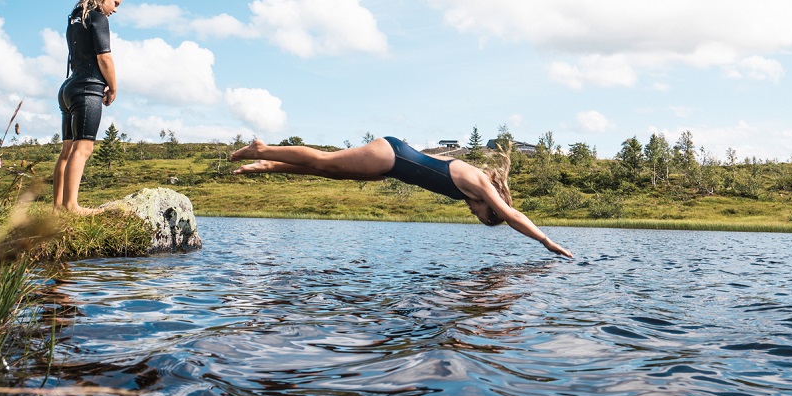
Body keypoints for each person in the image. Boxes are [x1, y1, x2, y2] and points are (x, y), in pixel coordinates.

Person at [231, 136, 573, 258]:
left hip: (390, 165)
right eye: (480, 215)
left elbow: (435, 164)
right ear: (490, 206)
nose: (473, 213)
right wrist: (546, 241)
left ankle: (269, 165)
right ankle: (263, 148)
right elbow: (513, 216)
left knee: (329, 171)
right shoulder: (481, 185)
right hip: (390, 156)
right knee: (325, 161)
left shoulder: (473, 178)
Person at [51, 0, 123, 214]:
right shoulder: (98, 17)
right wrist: (112, 87)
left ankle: (57, 208)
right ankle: (71, 206)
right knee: (84, 149)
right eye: (116, 3)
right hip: (87, 88)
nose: (115, 10)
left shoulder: (75, 17)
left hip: (68, 88)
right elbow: (104, 57)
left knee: (67, 151)